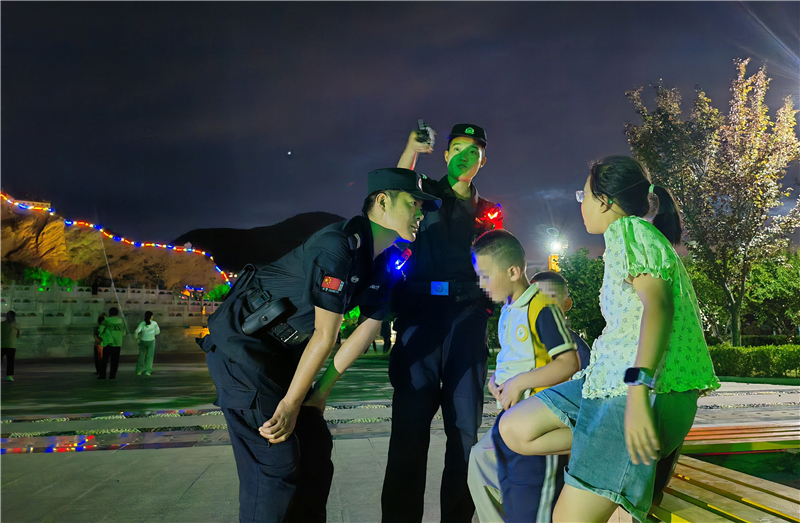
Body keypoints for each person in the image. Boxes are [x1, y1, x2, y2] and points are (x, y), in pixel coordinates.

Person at [198, 168, 441, 523]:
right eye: (413, 203)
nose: (420, 212)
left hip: (285, 358)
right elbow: (326, 335)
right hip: (243, 352)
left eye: (422, 206)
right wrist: (290, 403)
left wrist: (318, 394)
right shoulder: (336, 245)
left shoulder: (389, 262)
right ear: (382, 201)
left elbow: (366, 330)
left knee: (315, 450)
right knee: (275, 461)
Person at [496, 156, 720, 523]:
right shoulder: (628, 237)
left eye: (583, 195)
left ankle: (618, 452)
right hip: (606, 385)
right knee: (515, 428)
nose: (581, 203)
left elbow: (659, 307)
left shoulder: (630, 231)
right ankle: (603, 444)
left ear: (604, 201)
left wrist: (638, 391)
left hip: (638, 392)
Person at [382, 124, 502, 523]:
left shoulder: (489, 213)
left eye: (474, 152)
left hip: (467, 323)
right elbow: (394, 193)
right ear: (447, 155)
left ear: (483, 161)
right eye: (457, 149)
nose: (465, 157)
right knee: (409, 431)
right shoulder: (424, 194)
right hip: (420, 318)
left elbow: (498, 266)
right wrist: (412, 149)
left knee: (464, 433)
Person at [467, 231, 585, 523]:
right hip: (512, 423)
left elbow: (568, 363)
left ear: (513, 272)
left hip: (536, 425)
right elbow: (519, 360)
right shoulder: (509, 309)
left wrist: (519, 382)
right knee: (513, 504)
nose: (481, 284)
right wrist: (499, 381)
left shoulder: (541, 306)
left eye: (486, 276)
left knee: (532, 511)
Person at [98, 307, 127, 380]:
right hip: (117, 342)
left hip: (108, 342)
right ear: (117, 313)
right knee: (115, 360)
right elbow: (123, 332)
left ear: (110, 313)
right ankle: (112, 375)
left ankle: (102, 375)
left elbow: (100, 331)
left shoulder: (106, 321)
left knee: (104, 360)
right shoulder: (121, 321)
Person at [135, 311, 160, 376]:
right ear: (151, 316)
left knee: (141, 356)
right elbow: (157, 332)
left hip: (143, 341)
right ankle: (147, 371)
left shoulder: (142, 323)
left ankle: (139, 371)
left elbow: (136, 331)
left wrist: (137, 339)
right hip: (151, 341)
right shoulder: (154, 323)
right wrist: (152, 333)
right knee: (149, 357)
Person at [1, 310, 21, 382]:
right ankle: (9, 376)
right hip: (11, 345)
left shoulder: (1, 324)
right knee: (10, 362)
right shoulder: (16, 326)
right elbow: (18, 335)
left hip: (1, 345)